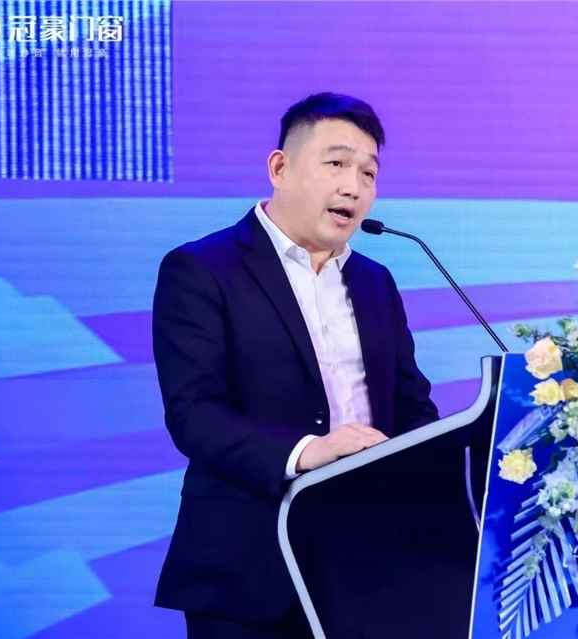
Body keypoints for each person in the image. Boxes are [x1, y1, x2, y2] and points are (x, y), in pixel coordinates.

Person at [151, 92, 439, 639]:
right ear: (279, 169)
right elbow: (194, 414)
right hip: (248, 568)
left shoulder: (375, 282)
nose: (354, 187)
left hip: (367, 566)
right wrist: (308, 452)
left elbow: (411, 406)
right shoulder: (202, 269)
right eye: (336, 164)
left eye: (369, 173)